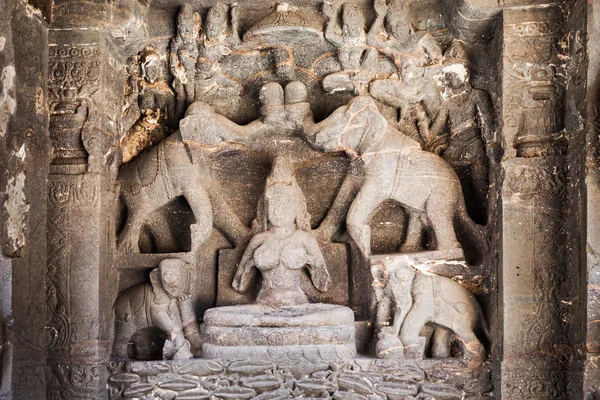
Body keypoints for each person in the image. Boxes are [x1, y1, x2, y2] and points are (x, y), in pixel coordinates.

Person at [232, 158, 331, 308]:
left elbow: (324, 285)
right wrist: (249, 265)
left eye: (285, 203)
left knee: (343, 314)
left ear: (296, 207)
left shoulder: (305, 239)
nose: (279, 209)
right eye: (274, 203)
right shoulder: (259, 240)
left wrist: (310, 261)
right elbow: (239, 286)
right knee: (213, 317)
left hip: (297, 305)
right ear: (265, 209)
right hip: (263, 305)